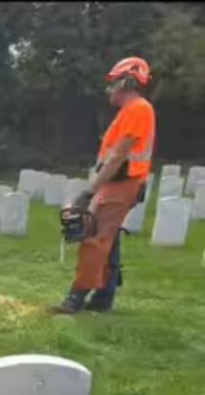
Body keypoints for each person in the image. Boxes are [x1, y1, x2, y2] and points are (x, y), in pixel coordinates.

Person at [56, 57, 155, 314]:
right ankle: (104, 297)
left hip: (122, 183)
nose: (109, 89)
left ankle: (75, 298)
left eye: (112, 83)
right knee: (109, 241)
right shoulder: (129, 111)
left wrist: (89, 192)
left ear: (125, 83)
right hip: (116, 182)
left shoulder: (138, 109)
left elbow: (118, 157)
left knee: (95, 238)